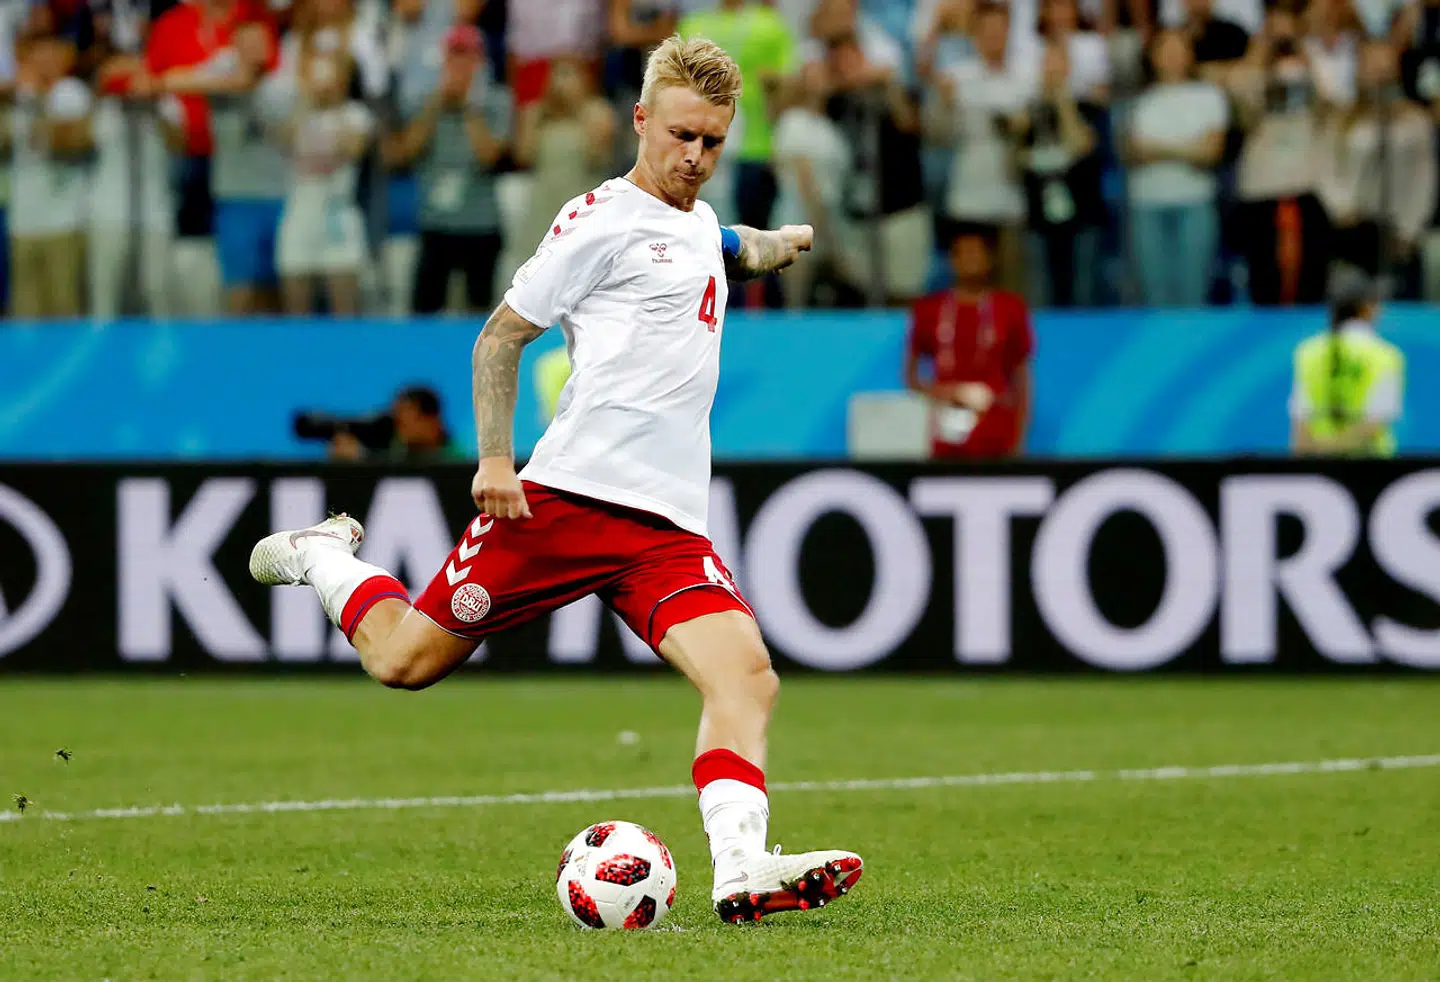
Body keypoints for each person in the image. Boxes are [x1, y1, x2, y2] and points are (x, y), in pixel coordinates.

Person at [248, 35, 861, 924]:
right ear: (641, 121)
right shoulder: (598, 220)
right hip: (566, 502)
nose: (695, 157)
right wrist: (496, 459)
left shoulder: (691, 220)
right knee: (403, 662)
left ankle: (740, 867)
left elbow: (708, 245)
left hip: (665, 527)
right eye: (682, 135)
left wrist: (765, 246)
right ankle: (322, 555)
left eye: (714, 143)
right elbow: (501, 336)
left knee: (748, 678)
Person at [384, 25, 511, 314]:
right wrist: (434, 107)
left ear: (479, 63)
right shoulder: (425, 103)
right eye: (454, 59)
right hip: (435, 223)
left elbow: (490, 156)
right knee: (424, 310)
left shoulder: (495, 102)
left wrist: (468, 107)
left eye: (467, 59)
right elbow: (404, 153)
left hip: (480, 223)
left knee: (478, 313)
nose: (460, 67)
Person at [905, 224, 1034, 458]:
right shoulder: (929, 310)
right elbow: (911, 377)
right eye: (962, 253)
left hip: (995, 426)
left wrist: (1019, 438)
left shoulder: (1010, 308)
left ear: (990, 259)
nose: (969, 260)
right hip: (944, 422)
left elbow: (1021, 381)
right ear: (952, 260)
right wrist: (949, 393)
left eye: (976, 253)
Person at [1127, 29, 1228, 307]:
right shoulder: (1140, 101)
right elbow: (1135, 150)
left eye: (1178, 48)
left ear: (1190, 55)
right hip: (1147, 204)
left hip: (1194, 202)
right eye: (1165, 49)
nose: (1171, 56)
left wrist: (1158, 148)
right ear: (1153, 57)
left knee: (1193, 293)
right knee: (1154, 296)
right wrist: (1187, 148)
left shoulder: (1209, 96)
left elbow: (1210, 152)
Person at [275, 52, 374, 315]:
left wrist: (335, 104)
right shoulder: (297, 113)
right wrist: (307, 102)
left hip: (338, 216)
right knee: (296, 301)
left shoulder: (355, 114)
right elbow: (284, 139)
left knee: (345, 304)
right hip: (300, 214)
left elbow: (354, 149)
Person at [1289, 273, 1404, 456]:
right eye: (1376, 303)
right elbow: (1374, 423)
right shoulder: (1385, 356)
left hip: (1318, 467)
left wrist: (1311, 462)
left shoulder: (1308, 352)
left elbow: (1300, 426)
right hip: (1373, 469)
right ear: (1365, 308)